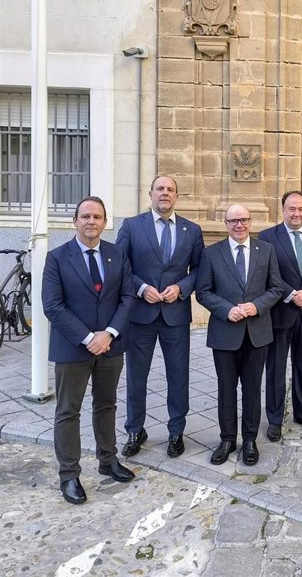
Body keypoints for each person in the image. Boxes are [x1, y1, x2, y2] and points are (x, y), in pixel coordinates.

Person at [42, 196, 136, 504]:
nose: (91, 221)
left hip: (111, 345)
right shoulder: (57, 257)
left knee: (106, 405)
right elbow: (53, 306)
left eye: (97, 217)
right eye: (85, 216)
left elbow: (127, 297)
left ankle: (108, 460)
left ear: (105, 223)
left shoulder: (117, 254)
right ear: (75, 221)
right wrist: (87, 338)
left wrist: (108, 334)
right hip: (73, 348)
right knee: (68, 411)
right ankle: (69, 475)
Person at [117, 175, 204, 459]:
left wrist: (181, 288)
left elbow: (201, 271)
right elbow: (121, 266)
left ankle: (176, 431)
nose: (165, 193)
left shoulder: (192, 230)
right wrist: (141, 289)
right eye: (160, 189)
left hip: (175, 315)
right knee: (136, 377)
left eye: (170, 190)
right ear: (150, 193)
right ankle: (135, 430)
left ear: (176, 196)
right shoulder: (131, 226)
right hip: (140, 316)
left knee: (178, 377)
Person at [196, 205, 282, 466]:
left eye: (243, 220)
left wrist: (257, 306)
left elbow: (276, 287)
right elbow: (203, 292)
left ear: (250, 221)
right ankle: (227, 439)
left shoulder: (265, 251)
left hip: (257, 332)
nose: (239, 225)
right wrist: (226, 310)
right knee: (226, 388)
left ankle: (250, 440)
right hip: (225, 333)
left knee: (253, 389)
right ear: (225, 223)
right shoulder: (211, 254)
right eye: (233, 220)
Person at [258, 191, 302, 442]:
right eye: (291, 209)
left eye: (300, 209)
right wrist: (292, 294)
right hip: (281, 312)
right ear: (283, 210)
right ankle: (275, 419)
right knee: (276, 368)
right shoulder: (268, 237)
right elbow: (268, 273)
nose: (296, 213)